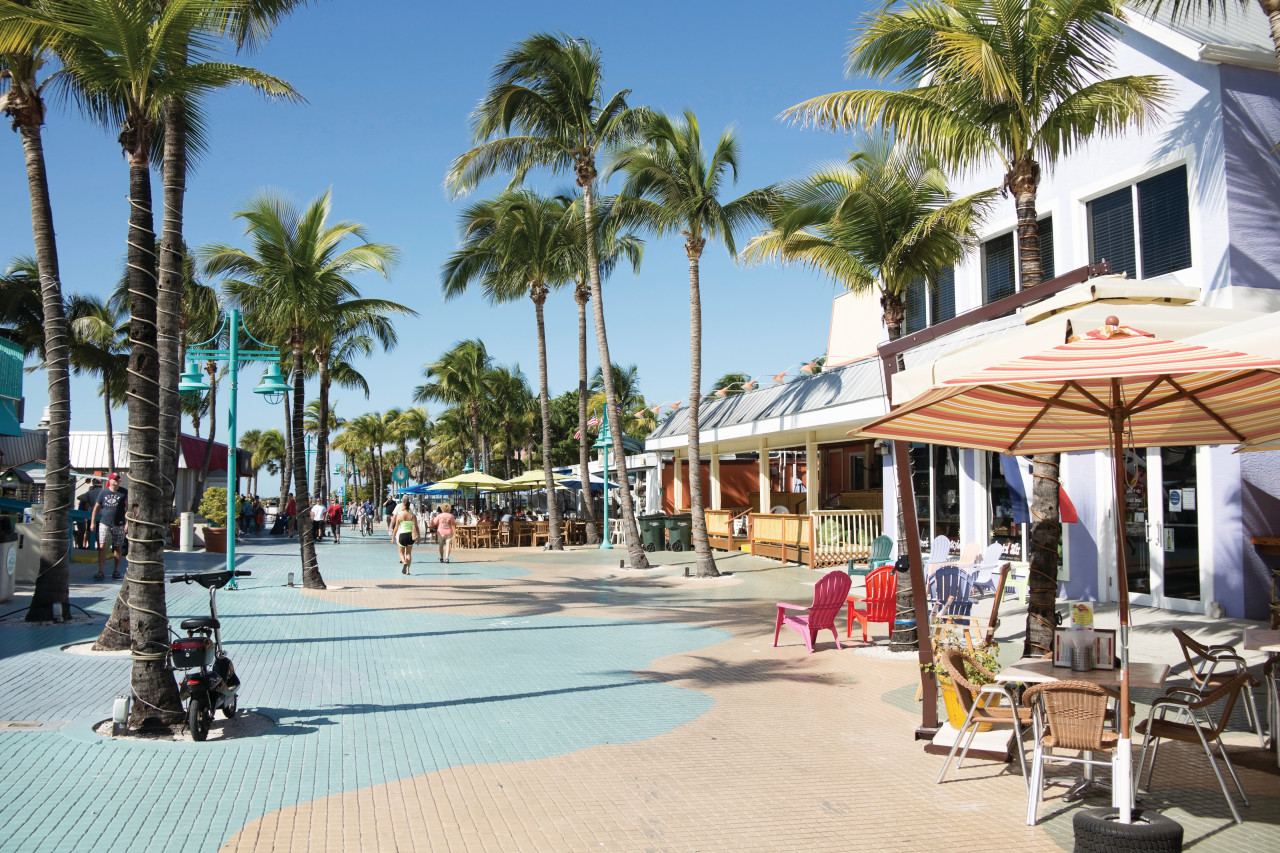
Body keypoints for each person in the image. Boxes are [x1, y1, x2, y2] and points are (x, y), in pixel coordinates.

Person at [90, 473, 128, 580]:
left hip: (119, 523)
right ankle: (101, 571)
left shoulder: (124, 492)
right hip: (105, 522)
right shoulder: (104, 492)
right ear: (110, 481)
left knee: (118, 547)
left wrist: (127, 523)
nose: (116, 481)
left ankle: (116, 570)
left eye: (117, 479)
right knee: (102, 546)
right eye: (114, 479)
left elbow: (128, 508)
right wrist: (93, 522)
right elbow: (96, 507)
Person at [391, 499, 418, 574]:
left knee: (400, 552)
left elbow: (396, 528)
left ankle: (404, 562)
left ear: (404, 507)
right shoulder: (412, 516)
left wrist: (393, 537)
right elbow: (416, 527)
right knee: (408, 553)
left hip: (402, 535)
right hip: (410, 535)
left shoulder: (399, 516)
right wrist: (418, 538)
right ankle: (408, 571)